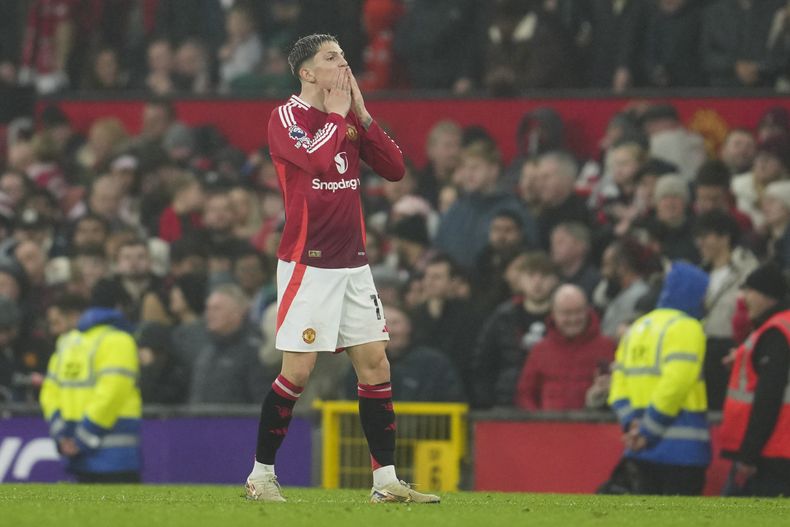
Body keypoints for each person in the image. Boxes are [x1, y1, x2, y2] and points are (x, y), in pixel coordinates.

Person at [245, 34, 438, 504]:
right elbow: (315, 161)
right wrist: (337, 115)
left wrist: (363, 116)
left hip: (353, 264)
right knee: (298, 371)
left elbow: (394, 169)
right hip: (307, 264)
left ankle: (385, 481)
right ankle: (261, 475)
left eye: (346, 57)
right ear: (307, 72)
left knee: (375, 364)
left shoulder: (349, 118)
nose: (345, 66)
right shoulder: (286, 117)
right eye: (333, 59)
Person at [607, 262, 711, 495]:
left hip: (640, 450)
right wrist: (647, 431)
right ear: (692, 293)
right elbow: (675, 383)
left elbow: (618, 386)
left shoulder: (636, 328)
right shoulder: (687, 327)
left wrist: (632, 425)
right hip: (681, 450)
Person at [38, 284, 142, 483]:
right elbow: (112, 393)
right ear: (119, 307)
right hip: (115, 457)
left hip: (77, 458)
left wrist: (63, 435)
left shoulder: (67, 342)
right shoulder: (119, 340)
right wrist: (84, 438)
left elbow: (49, 393)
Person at [719, 263, 790, 497]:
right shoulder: (777, 328)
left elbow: (768, 399)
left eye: (750, 290)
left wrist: (748, 455)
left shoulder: (775, 332)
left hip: (772, 454)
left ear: (768, 295)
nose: (744, 298)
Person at [474, 251, 560, 409]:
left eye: (544, 276)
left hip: (552, 403)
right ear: (520, 280)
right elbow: (484, 361)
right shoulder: (503, 316)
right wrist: (487, 402)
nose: (537, 282)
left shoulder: (565, 316)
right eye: (531, 275)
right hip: (507, 402)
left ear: (555, 280)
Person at [694, 210, 758, 411]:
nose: (700, 243)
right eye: (699, 237)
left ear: (724, 237)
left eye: (706, 236)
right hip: (704, 349)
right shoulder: (699, 273)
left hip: (733, 347)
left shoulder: (747, 269)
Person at [515, 284, 615, 411]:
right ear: (554, 313)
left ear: (587, 310)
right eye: (566, 313)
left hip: (593, 428)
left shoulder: (607, 347)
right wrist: (538, 423)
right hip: (548, 429)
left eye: (578, 312)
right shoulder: (540, 351)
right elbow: (525, 394)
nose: (573, 319)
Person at [188, 284, 268, 404]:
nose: (209, 314)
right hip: (200, 422)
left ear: (236, 313)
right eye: (208, 308)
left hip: (237, 422)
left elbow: (261, 399)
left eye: (216, 309)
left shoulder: (253, 352)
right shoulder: (205, 350)